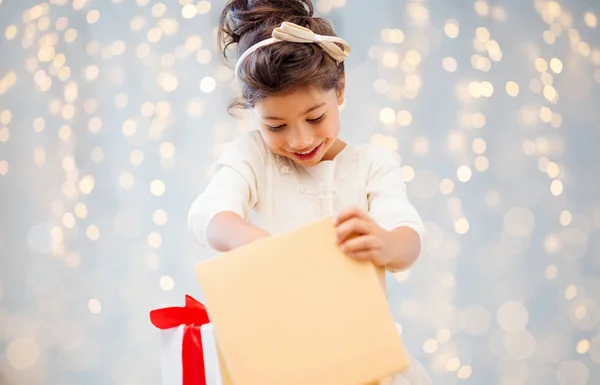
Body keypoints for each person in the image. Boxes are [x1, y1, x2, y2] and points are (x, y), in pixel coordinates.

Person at [188, 0, 431, 383]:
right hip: (285, 362)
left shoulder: (371, 166)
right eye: (275, 126)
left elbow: (409, 239)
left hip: (364, 363)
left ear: (340, 89)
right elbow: (208, 215)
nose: (300, 139)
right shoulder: (254, 158)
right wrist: (264, 247)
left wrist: (387, 244)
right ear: (254, 115)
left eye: (315, 118)